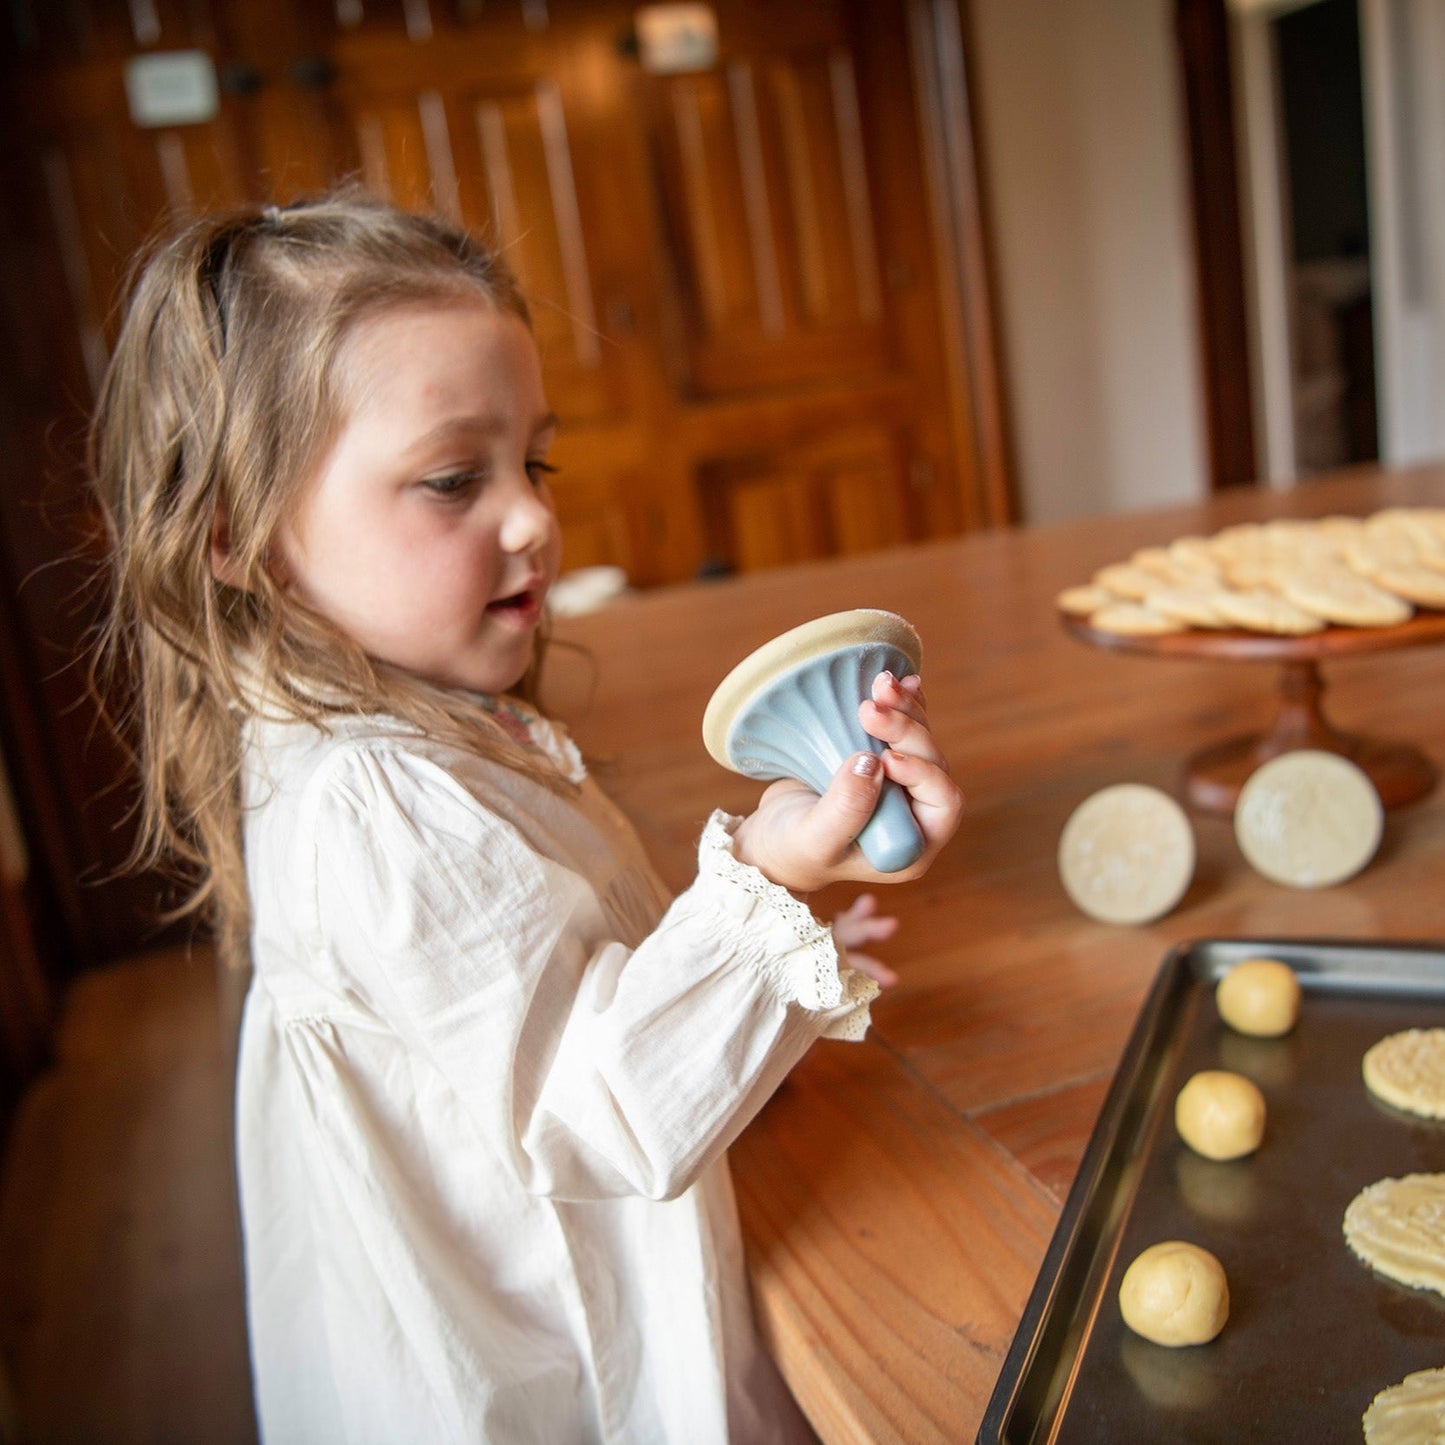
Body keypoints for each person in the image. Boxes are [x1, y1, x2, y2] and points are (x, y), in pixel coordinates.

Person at [90, 191, 963, 1444]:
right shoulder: (371, 800)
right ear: (240, 538)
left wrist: (750, 992)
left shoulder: (411, 720)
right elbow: (599, 1109)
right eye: (454, 479)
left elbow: (543, 1007)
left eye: (531, 462)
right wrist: (767, 881)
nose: (534, 517)